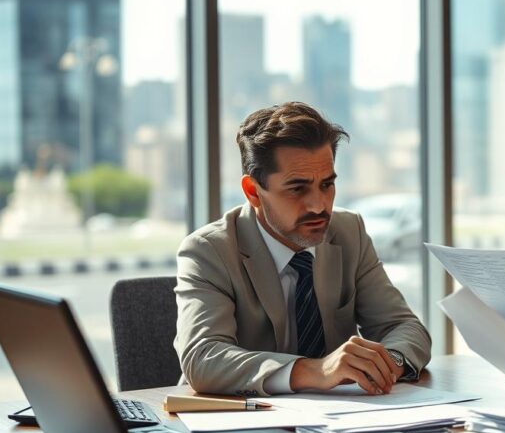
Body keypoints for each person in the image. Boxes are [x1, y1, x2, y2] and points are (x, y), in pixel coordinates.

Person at [174, 102, 431, 397]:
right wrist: (316, 371)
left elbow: (405, 327)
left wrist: (388, 363)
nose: (319, 205)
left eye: (327, 184)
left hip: (344, 418)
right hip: (241, 423)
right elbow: (203, 358)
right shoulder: (209, 250)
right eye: (297, 188)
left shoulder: (349, 232)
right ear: (253, 192)